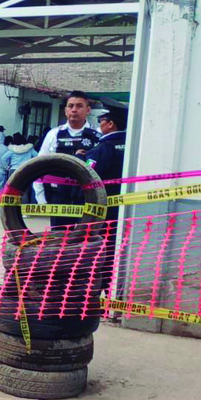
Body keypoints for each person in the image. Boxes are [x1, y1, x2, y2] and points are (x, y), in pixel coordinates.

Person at [39, 90, 100, 225]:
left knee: (86, 235)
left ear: (88, 110)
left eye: (79, 106)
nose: (74, 110)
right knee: (60, 235)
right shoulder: (54, 134)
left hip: (88, 195)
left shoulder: (97, 135)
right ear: (65, 110)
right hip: (59, 194)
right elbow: (39, 166)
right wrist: (41, 197)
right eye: (71, 106)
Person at [87, 108, 128, 290]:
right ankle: (113, 290)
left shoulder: (104, 148)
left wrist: (81, 157)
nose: (99, 125)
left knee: (100, 251)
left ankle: (99, 289)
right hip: (124, 209)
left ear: (110, 124)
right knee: (117, 249)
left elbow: (88, 175)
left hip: (102, 211)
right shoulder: (130, 144)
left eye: (101, 121)